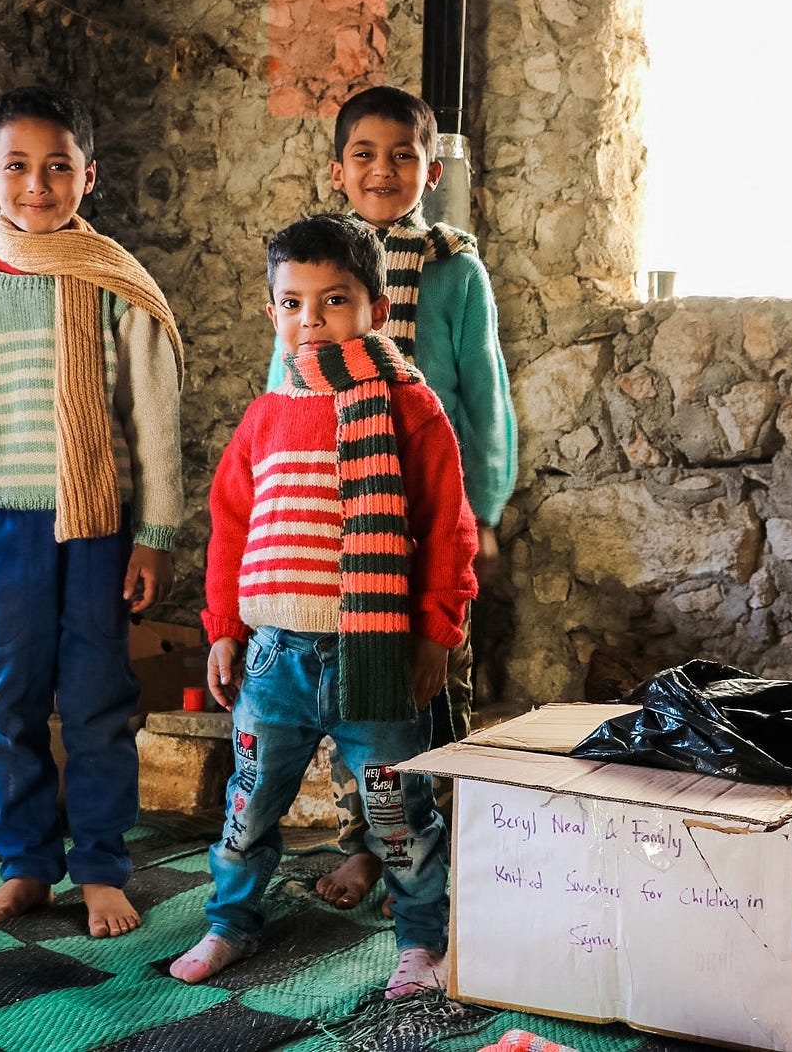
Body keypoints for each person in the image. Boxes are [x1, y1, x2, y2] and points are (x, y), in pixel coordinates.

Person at [0, 85, 184, 939]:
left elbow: (154, 419)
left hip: (96, 530)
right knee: (4, 700)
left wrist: (157, 534)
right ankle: (25, 864)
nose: (37, 184)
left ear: (88, 177)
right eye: (17, 166)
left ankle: (99, 866)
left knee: (97, 699)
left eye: (58, 167)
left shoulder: (119, 287)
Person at [171, 213, 477, 996]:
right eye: (294, 302)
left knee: (399, 815)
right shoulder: (265, 416)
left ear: (375, 307)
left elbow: (448, 526)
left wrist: (437, 633)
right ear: (272, 310)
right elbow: (231, 528)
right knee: (248, 808)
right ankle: (229, 924)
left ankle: (418, 944)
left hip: (374, 660)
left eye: (335, 300)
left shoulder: (411, 408)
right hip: (275, 660)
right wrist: (223, 629)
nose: (313, 320)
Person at [266, 85, 516, 911]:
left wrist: (481, 512)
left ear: (431, 169)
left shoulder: (454, 268)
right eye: (365, 155)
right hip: (334, 526)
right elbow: (285, 393)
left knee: (436, 683)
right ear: (338, 171)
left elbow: (485, 396)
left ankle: (451, 843)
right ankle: (366, 844)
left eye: (403, 154)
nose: (384, 169)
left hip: (429, 518)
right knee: (354, 698)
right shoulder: (312, 269)